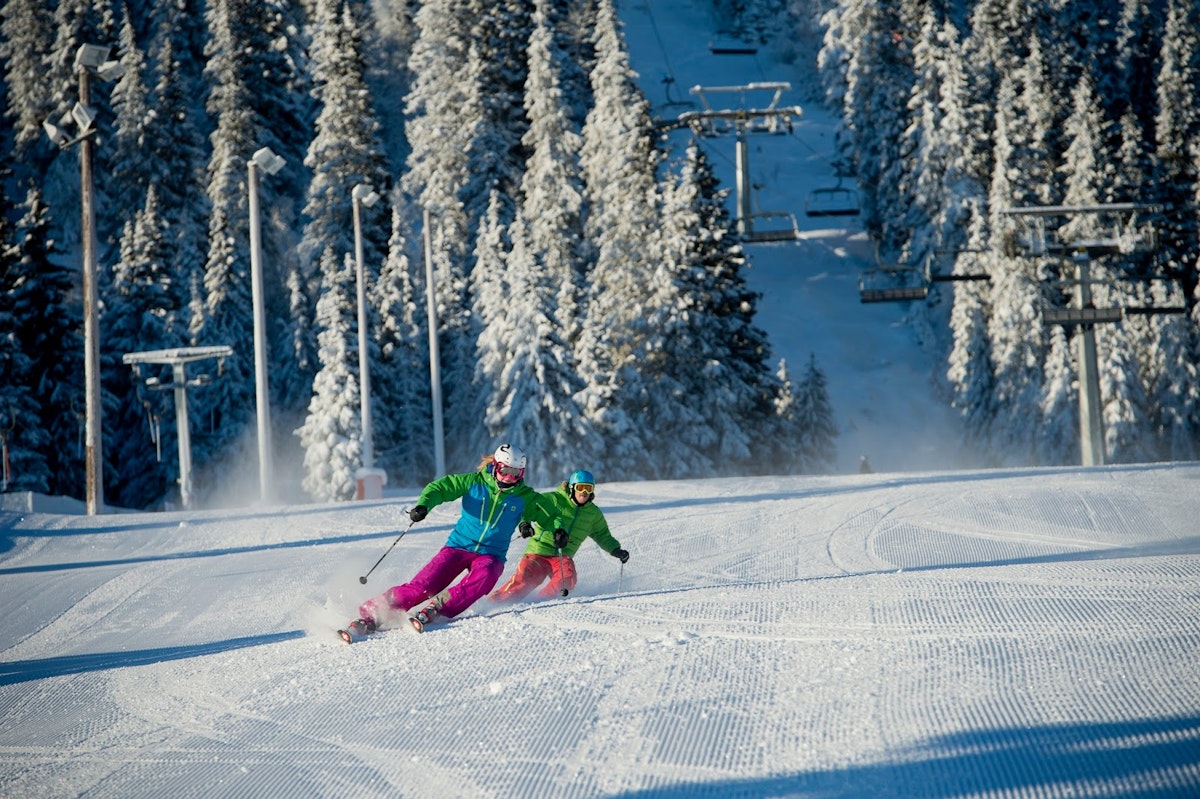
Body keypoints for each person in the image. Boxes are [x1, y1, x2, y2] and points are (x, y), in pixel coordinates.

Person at [348, 443, 564, 635]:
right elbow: (440, 487)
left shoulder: (524, 496)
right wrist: (424, 504)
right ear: (496, 466)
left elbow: (551, 516)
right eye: (505, 470)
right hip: (458, 546)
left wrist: (558, 530)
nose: (509, 477)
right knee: (423, 586)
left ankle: (439, 608)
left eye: (515, 473)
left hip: (491, 553)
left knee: (486, 576)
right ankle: (373, 613)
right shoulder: (474, 482)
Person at [490, 469, 628, 603]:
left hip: (562, 556)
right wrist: (524, 524)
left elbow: (602, 534)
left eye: (588, 488)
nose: (584, 492)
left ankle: (542, 604)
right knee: (526, 579)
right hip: (538, 551)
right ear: (572, 488)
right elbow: (528, 508)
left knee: (567, 578)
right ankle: (494, 603)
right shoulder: (553, 499)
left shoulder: (593, 514)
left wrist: (615, 549)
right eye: (581, 488)